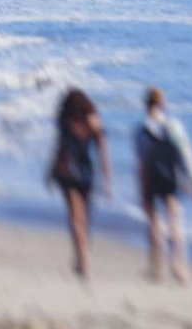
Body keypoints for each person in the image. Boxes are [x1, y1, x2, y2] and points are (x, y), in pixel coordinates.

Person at [135, 87, 192, 283]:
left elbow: (142, 162)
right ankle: (178, 266)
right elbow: (186, 153)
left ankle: (156, 268)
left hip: (151, 178)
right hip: (171, 178)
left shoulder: (141, 130)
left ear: (146, 105)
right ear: (162, 104)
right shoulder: (173, 126)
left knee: (154, 224)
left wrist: (142, 189)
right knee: (175, 223)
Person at [48, 88, 111, 279]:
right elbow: (102, 151)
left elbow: (60, 150)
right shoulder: (93, 120)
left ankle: (81, 259)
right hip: (86, 172)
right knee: (84, 219)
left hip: (67, 173)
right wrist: (106, 176)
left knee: (75, 218)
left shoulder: (64, 122)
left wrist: (51, 171)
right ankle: (83, 259)